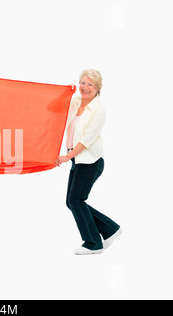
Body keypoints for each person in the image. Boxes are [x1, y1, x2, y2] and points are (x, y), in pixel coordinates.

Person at [55, 69, 121, 255]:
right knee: (72, 202)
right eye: (83, 83)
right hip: (77, 160)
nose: (85, 87)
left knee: (76, 200)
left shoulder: (98, 111)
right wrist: (63, 91)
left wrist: (66, 156)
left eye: (90, 84)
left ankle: (93, 243)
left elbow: (86, 140)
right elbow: (56, 107)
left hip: (91, 161)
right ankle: (110, 229)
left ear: (97, 89)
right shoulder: (75, 102)